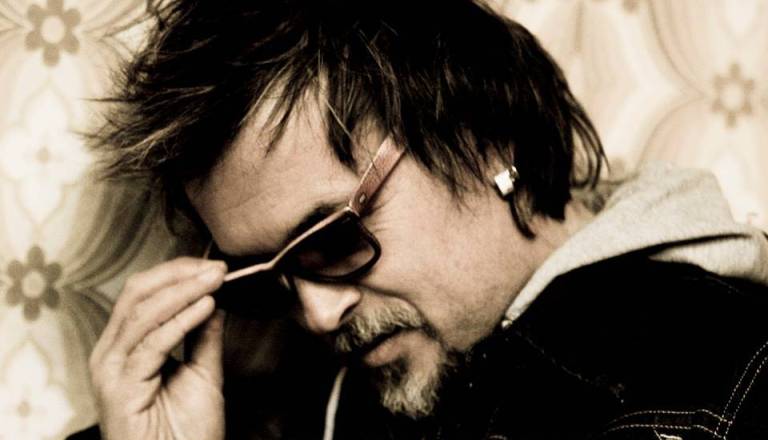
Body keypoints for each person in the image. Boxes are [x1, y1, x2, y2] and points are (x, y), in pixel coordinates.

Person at [75, 0, 768, 438]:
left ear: (485, 138)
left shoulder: (711, 380)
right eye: (264, 279)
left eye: (332, 238)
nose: (317, 314)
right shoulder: (303, 394)